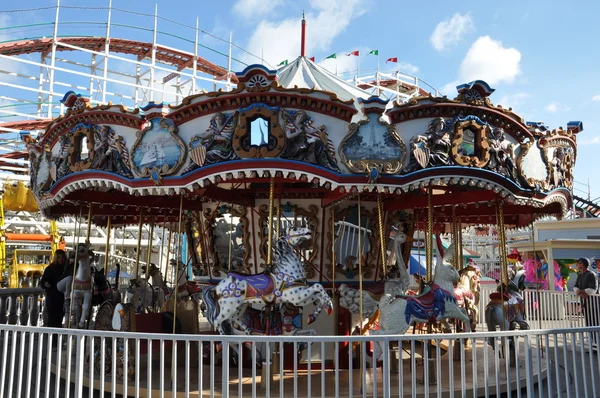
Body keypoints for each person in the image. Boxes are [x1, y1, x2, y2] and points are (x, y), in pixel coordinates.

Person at [574, 257, 599, 346]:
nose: (578, 265)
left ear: (585, 264)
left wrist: (582, 291)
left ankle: (597, 343)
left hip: (594, 304)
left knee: (595, 323)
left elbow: (593, 289)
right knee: (589, 323)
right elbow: (575, 287)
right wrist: (580, 292)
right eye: (578, 264)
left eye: (580, 263)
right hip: (584, 303)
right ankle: (593, 343)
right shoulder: (580, 275)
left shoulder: (591, 274)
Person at [41, 250, 68, 328]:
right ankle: (53, 338)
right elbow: (43, 281)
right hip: (52, 297)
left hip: (62, 297)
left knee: (59, 319)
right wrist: (46, 283)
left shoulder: (66, 269)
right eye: (59, 258)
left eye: (62, 257)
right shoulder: (50, 268)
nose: (61, 259)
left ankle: (56, 338)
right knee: (52, 319)